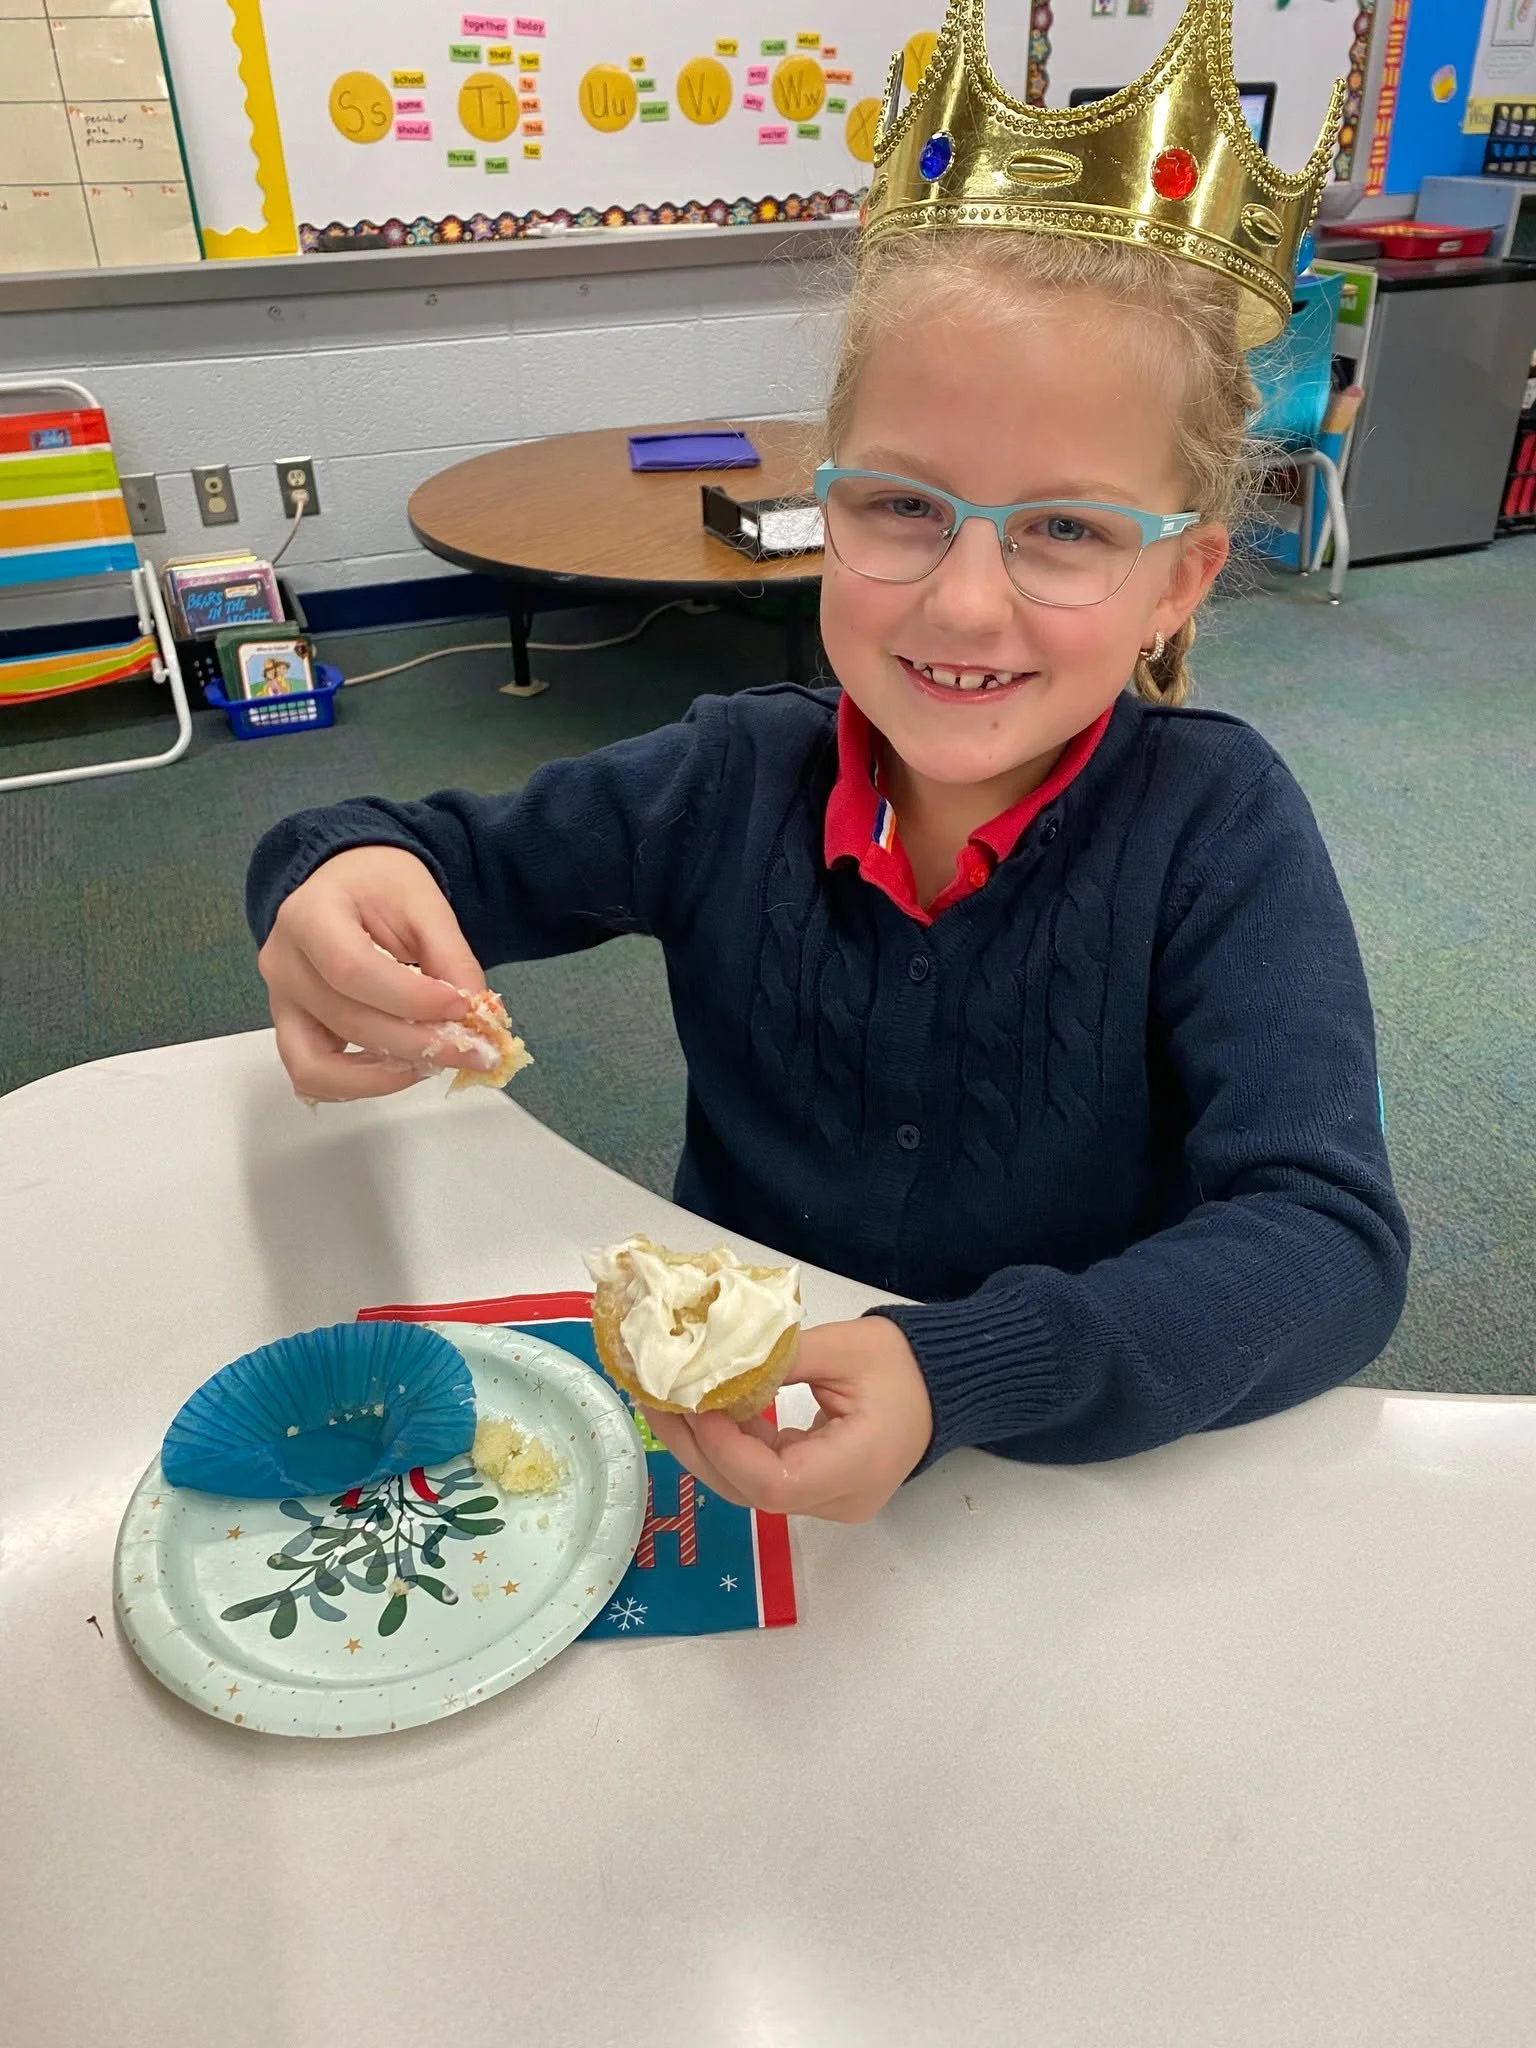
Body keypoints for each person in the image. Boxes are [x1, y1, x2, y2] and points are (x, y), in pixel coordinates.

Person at [246, 12, 1409, 1526]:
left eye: (1066, 528)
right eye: (904, 508)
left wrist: (965, 1371)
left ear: (1180, 582)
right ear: (820, 513)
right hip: (738, 1421)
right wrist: (333, 877)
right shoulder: (728, 778)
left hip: (1067, 1475)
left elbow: (1327, 1247)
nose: (965, 601)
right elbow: (405, 846)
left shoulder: (1218, 829)